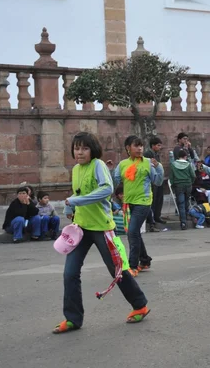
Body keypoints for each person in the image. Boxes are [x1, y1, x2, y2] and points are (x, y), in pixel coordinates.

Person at [54, 132, 150, 334]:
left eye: (84, 148)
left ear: (93, 150)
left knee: (116, 270)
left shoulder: (98, 165)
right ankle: (73, 319)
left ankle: (140, 304)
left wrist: (76, 201)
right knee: (70, 273)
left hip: (102, 228)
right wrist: (69, 207)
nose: (80, 152)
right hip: (81, 228)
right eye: (77, 148)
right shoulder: (76, 169)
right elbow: (78, 193)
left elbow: (107, 189)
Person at [109, 135, 164, 276]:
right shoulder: (122, 164)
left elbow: (158, 181)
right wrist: (110, 169)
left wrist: (159, 167)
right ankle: (145, 260)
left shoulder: (148, 163)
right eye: (136, 146)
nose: (140, 148)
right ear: (128, 148)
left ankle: (132, 266)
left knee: (132, 232)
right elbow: (115, 181)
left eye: (141, 146)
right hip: (128, 203)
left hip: (143, 202)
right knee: (135, 233)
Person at [170, 149, 196, 230]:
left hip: (178, 185)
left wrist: (173, 185)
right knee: (186, 201)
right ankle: (186, 216)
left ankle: (183, 222)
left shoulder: (173, 165)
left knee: (180, 203)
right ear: (185, 157)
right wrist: (191, 182)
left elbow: (171, 178)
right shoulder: (188, 164)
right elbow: (193, 175)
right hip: (188, 185)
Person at [144, 137, 166, 225]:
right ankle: (151, 218)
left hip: (158, 179)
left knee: (159, 198)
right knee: (153, 200)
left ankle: (157, 216)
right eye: (158, 145)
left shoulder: (156, 154)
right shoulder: (148, 154)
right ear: (153, 146)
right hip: (153, 180)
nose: (160, 147)